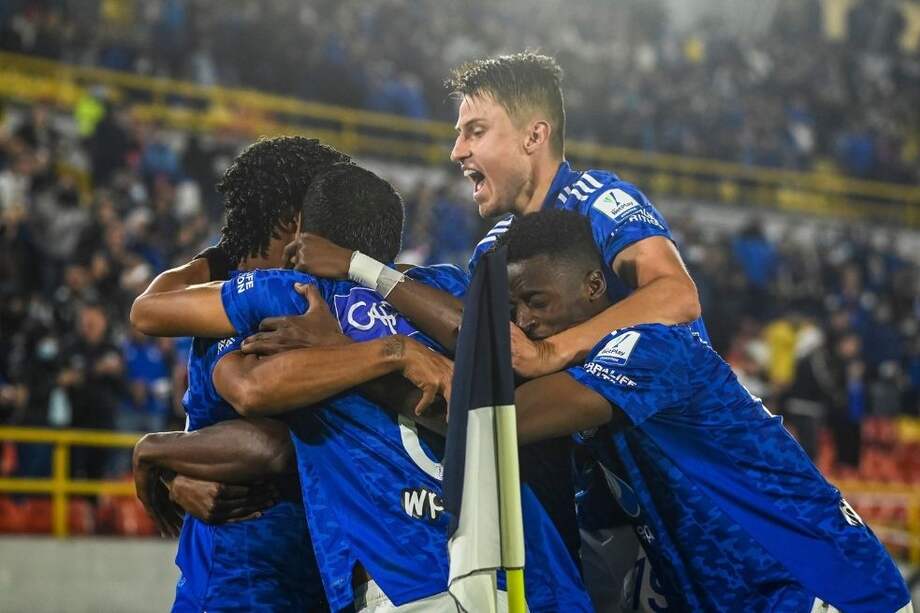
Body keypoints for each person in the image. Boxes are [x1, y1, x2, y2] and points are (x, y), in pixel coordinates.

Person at [279, 51, 703, 610]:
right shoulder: (493, 249)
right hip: (596, 501)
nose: (458, 152)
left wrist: (551, 352)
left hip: (683, 479)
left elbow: (677, 295)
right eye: (458, 135)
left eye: (475, 132)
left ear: (534, 135)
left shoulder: (599, 200)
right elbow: (482, 358)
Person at [132, 162, 592, 612]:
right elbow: (486, 340)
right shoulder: (441, 287)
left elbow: (158, 318)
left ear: (303, 236)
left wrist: (157, 452)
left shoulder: (289, 297)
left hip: (406, 579)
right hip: (527, 568)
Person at [489, 210, 911, 612]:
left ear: (594, 285)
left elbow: (503, 418)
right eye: (513, 311)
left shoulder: (653, 346)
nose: (523, 321)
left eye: (536, 301)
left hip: (830, 590)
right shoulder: (589, 385)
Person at [132, 135, 351, 612]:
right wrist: (171, 464)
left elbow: (269, 437)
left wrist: (163, 455)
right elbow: (263, 439)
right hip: (248, 582)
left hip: (280, 577)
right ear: (296, 220)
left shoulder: (281, 297)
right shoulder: (257, 302)